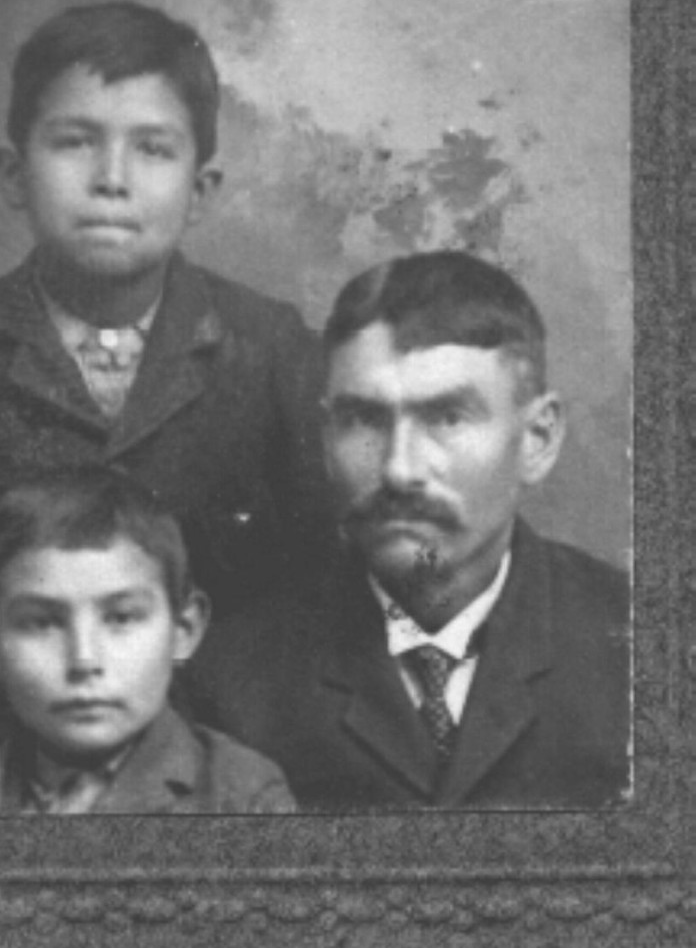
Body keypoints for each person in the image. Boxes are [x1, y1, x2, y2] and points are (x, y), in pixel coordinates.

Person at [0, 0, 331, 620]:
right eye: (76, 142)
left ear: (200, 190)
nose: (112, 178)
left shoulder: (275, 352)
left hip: (238, 713)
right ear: (12, 174)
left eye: (153, 149)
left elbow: (324, 582)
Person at [184, 251, 631, 808]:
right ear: (324, 440)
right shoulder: (228, 683)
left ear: (538, 440)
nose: (399, 468)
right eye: (364, 420)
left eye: (447, 418)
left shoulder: (645, 651)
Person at [0, 468, 295, 815]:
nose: (84, 660)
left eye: (121, 618)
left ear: (183, 630)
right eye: (41, 623)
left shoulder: (242, 797)